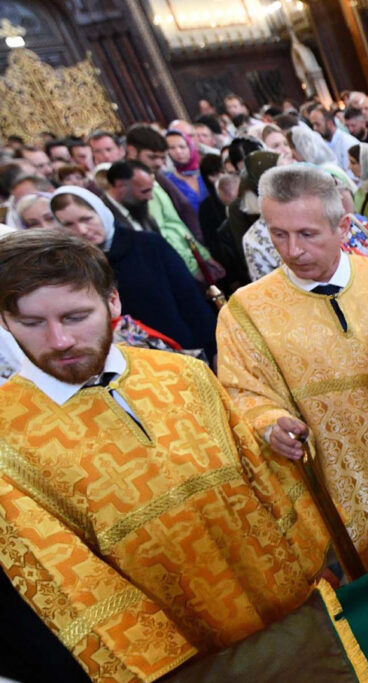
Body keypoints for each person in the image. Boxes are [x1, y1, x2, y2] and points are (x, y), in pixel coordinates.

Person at [0, 229, 328, 680]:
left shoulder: (183, 374)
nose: (59, 340)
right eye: (32, 323)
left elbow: (258, 475)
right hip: (182, 657)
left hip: (285, 610)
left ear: (113, 303)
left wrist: (309, 573)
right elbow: (63, 578)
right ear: (5, 321)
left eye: (76, 316)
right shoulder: (6, 440)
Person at [217, 165, 368, 570]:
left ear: (340, 226)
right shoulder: (245, 312)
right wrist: (269, 422)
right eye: (278, 234)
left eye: (307, 234)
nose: (292, 251)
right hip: (341, 488)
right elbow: (242, 392)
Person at [51, 185, 217, 356]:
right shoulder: (75, 268)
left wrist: (214, 349)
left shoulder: (149, 245)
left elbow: (190, 299)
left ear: (101, 212)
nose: (82, 230)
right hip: (132, 364)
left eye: (86, 219)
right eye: (69, 224)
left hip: (185, 350)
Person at [165, 129, 208, 216]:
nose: (178, 152)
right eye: (172, 148)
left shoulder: (207, 170)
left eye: (182, 147)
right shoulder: (169, 182)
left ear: (190, 147)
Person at [309, 105, 359, 176]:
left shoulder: (348, 142)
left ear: (329, 124)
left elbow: (354, 176)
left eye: (317, 124)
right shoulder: (322, 143)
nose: (314, 128)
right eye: (313, 124)